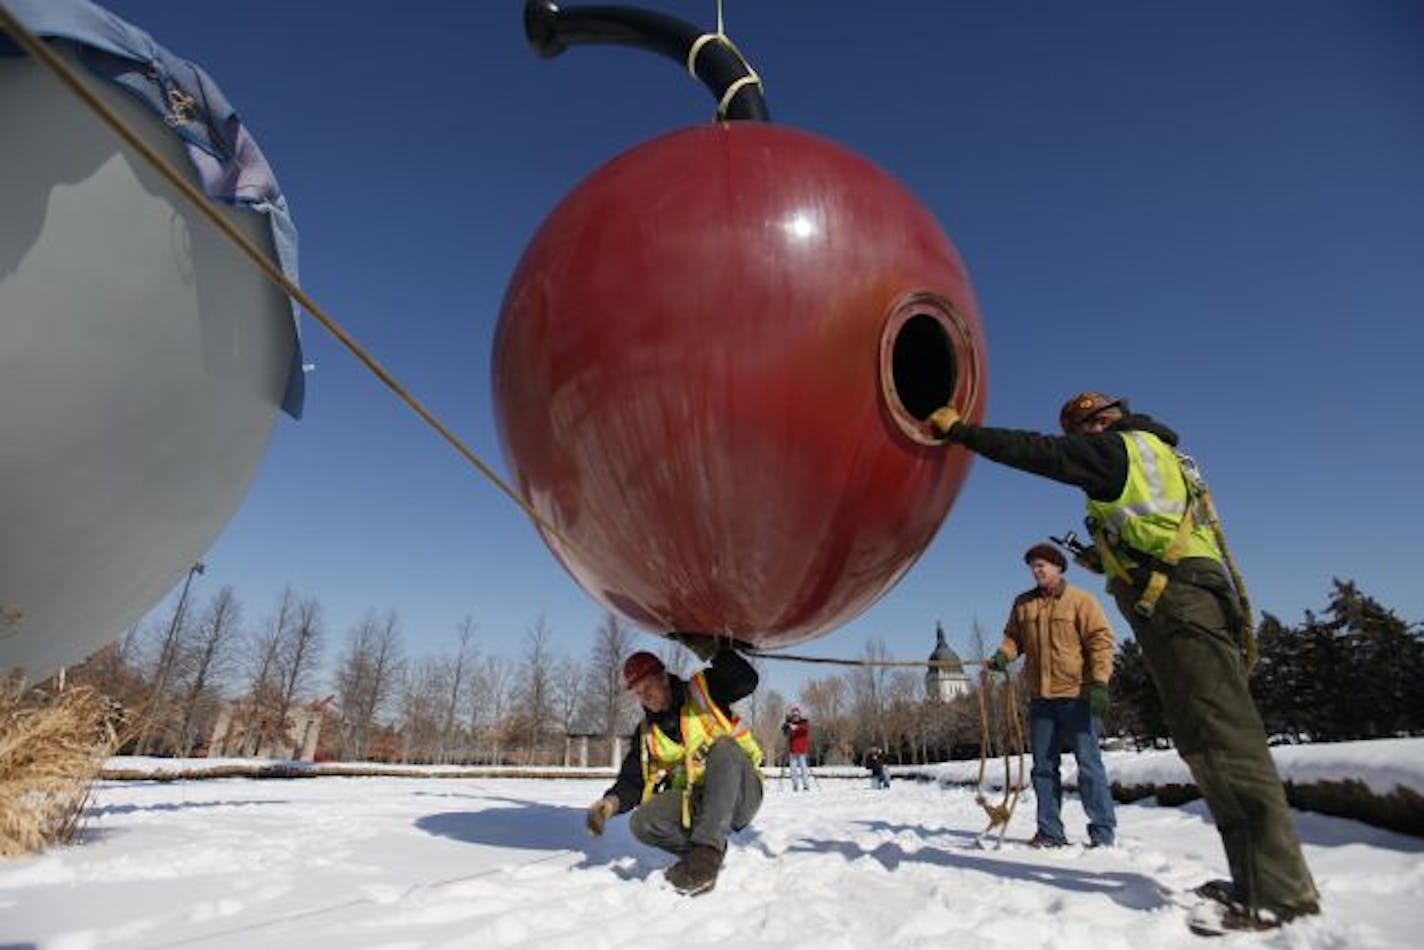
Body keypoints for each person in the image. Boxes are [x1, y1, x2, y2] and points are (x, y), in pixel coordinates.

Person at [929, 393, 1320, 933]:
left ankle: (1277, 892)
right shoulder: (1155, 453)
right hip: (1180, 600)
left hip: (1181, 603)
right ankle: (1255, 879)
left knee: (1223, 739)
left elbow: (1037, 454)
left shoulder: (1118, 451)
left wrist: (962, 432)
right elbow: (1155, 531)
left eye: (1077, 437)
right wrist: (1104, 557)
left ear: (1094, 425)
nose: (1076, 449)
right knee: (1204, 740)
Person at [583, 647, 763, 896]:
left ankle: (705, 858)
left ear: (664, 678)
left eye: (648, 688)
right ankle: (706, 854)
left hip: (741, 794)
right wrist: (609, 804)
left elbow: (747, 680)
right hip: (701, 805)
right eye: (638, 694)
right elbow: (633, 779)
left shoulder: (705, 691)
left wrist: (713, 648)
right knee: (641, 822)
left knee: (723, 747)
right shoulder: (647, 732)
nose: (644, 697)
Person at [991, 541, 1117, 849]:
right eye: (1033, 566)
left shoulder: (1081, 601)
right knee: (1043, 768)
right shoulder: (1023, 604)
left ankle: (1102, 831)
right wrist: (1004, 655)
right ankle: (1050, 831)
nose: (1037, 570)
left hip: (1077, 696)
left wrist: (1099, 682)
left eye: (1042, 565)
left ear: (1059, 567)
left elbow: (1100, 642)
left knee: (1088, 765)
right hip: (1041, 699)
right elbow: (1013, 638)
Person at [782, 705, 812, 791]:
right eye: (793, 715)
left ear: (799, 715)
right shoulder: (790, 724)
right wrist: (786, 726)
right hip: (793, 750)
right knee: (793, 769)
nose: (795, 717)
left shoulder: (804, 723)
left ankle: (806, 785)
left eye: (796, 715)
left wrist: (796, 727)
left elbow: (805, 729)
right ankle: (795, 785)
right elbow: (785, 733)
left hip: (802, 750)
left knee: (803, 768)